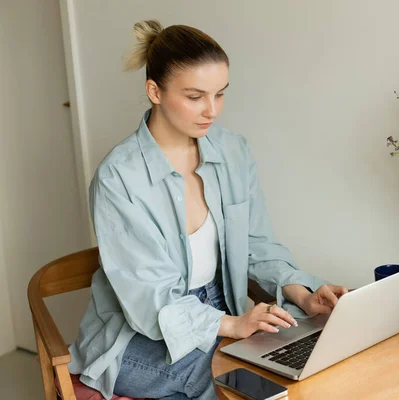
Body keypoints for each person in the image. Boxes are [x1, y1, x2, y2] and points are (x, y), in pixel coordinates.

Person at [67, 20, 348, 400]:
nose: (212, 111)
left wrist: (302, 294)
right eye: (195, 96)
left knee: (314, 351)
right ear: (155, 91)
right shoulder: (119, 178)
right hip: (136, 338)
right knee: (245, 383)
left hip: (221, 308)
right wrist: (231, 325)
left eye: (220, 94)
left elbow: (256, 245)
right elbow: (150, 301)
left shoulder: (232, 152)